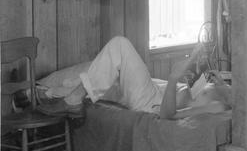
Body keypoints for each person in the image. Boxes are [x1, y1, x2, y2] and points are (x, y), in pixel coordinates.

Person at [38, 36, 232, 119]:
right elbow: (194, 87)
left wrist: (173, 78)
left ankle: (71, 99)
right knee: (99, 69)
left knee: (119, 46)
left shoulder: (218, 106)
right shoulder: (221, 87)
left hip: (153, 103)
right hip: (157, 88)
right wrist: (197, 59)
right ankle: (41, 90)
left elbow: (169, 115)